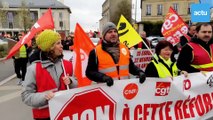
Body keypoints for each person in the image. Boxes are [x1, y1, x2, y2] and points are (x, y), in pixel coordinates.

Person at [21, 30, 76, 120]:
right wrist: (44, 96)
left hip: (65, 113)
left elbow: (75, 83)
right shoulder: (33, 69)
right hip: (44, 116)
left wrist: (71, 81)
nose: (62, 46)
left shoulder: (67, 64)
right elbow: (26, 96)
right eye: (58, 43)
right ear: (49, 47)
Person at [86, 22, 146, 86]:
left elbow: (131, 67)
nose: (113, 34)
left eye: (115, 31)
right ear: (104, 35)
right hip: (107, 90)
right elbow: (89, 72)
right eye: (110, 32)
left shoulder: (124, 48)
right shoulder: (95, 52)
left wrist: (139, 72)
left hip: (124, 89)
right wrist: (103, 77)